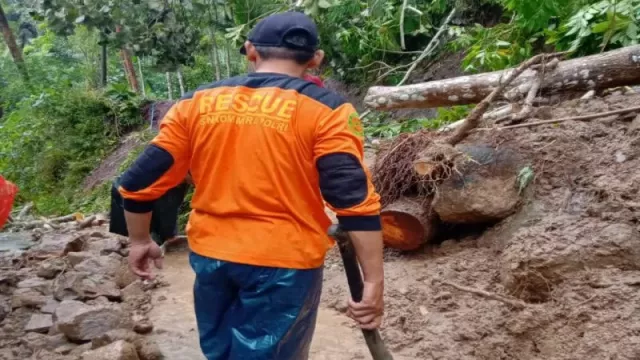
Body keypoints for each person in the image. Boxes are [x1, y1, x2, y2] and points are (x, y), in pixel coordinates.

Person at [117, 11, 384, 360]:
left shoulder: (195, 103)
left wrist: (139, 240)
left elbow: (138, 182)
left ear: (250, 51)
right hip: (285, 263)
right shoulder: (328, 110)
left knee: (221, 352)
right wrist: (374, 282)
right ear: (315, 60)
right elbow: (354, 203)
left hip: (212, 256)